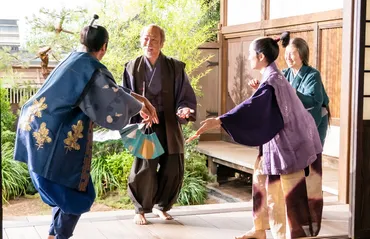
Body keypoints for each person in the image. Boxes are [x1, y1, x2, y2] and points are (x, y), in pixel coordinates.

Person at [13, 15, 158, 239]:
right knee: (78, 194)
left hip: (35, 128)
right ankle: (58, 236)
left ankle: (54, 235)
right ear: (104, 47)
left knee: (67, 188)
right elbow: (111, 97)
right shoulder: (93, 69)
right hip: (53, 137)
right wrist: (140, 106)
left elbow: (109, 89)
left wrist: (140, 101)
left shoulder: (73, 59)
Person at [187, 33, 323, 239]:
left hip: (291, 144)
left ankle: (289, 235)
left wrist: (219, 120)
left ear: (260, 57)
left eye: (251, 54)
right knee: (261, 181)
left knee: (285, 194)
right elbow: (262, 105)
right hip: (278, 141)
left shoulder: (274, 80)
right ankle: (260, 229)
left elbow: (252, 106)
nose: (249, 57)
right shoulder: (274, 77)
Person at [122, 24, 197, 225]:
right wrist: (139, 109)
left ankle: (162, 206)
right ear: (141, 41)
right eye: (146, 38)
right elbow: (124, 96)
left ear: (162, 42)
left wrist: (185, 109)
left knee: (173, 166)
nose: (149, 43)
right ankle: (140, 209)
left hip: (170, 123)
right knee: (145, 167)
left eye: (154, 39)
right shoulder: (132, 67)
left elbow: (185, 96)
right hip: (146, 124)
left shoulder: (175, 67)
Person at [249, 33, 330, 145]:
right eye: (286, 53)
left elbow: (314, 101)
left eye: (291, 54)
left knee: (313, 156)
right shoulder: (285, 73)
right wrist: (260, 87)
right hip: (295, 121)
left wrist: (292, 92)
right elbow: (277, 94)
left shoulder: (312, 74)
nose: (287, 57)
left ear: (302, 54)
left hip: (314, 119)